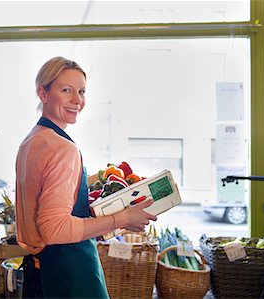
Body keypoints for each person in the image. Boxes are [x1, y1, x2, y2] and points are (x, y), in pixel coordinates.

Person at [15, 56, 158, 299]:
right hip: (70, 273)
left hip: (40, 271)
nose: (77, 100)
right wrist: (122, 217)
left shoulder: (30, 142)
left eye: (81, 91)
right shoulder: (62, 148)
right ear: (43, 93)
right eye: (66, 90)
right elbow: (54, 229)